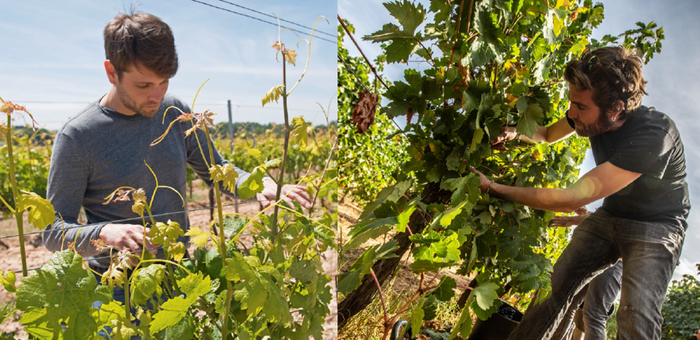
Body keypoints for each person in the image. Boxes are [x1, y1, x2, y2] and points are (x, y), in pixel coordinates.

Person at [43, 11, 312, 299]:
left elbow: (216, 170)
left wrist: (263, 186)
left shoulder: (174, 111)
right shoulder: (78, 136)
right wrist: (103, 232)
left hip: (178, 276)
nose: (156, 96)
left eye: (165, 82)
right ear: (111, 72)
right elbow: (53, 232)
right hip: (117, 290)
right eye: (144, 85)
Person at [471, 46, 689, 340]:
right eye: (572, 102)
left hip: (657, 226)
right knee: (554, 290)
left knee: (635, 316)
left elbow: (572, 198)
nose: (572, 113)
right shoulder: (586, 113)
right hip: (612, 214)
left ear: (616, 109)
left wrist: (493, 188)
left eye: (581, 107)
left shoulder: (655, 135)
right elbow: (547, 134)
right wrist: (515, 132)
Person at [549, 210, 623, 340]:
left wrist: (572, 220)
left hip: (616, 260)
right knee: (570, 304)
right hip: (598, 253)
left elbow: (614, 222)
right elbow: (605, 217)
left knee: (595, 314)